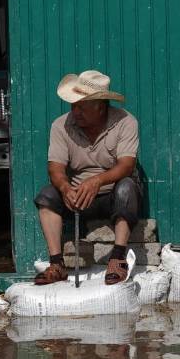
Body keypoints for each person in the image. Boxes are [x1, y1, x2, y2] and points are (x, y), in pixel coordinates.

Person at [33, 70, 141, 286]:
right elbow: (55, 168)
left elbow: (127, 165)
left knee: (126, 188)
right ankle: (56, 264)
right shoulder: (61, 125)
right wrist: (65, 188)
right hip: (77, 196)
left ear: (100, 107)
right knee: (46, 196)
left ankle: (118, 259)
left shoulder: (126, 121)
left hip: (112, 194)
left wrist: (98, 181)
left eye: (81, 106)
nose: (75, 111)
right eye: (73, 105)